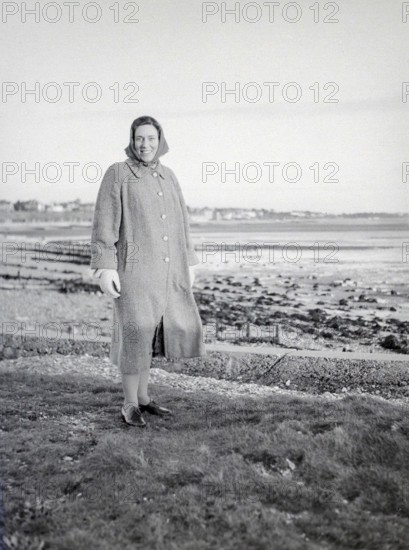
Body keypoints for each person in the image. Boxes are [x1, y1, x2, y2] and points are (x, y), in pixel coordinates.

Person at [89, 115, 206, 427]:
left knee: (151, 335)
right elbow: (104, 223)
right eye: (140, 138)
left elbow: (183, 223)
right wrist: (104, 267)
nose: (145, 144)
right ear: (132, 140)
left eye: (151, 138)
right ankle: (129, 404)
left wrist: (188, 263)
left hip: (167, 273)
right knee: (135, 333)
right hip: (133, 271)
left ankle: (143, 398)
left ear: (160, 140)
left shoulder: (169, 176)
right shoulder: (118, 173)